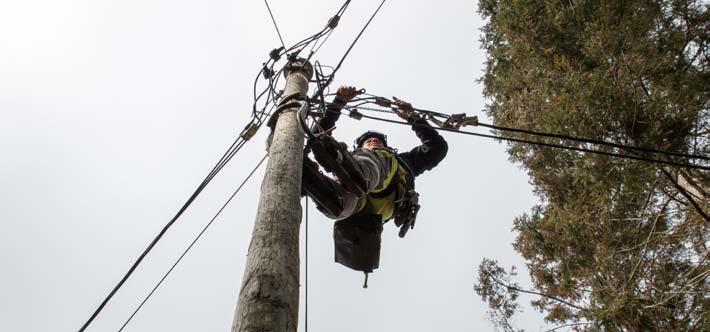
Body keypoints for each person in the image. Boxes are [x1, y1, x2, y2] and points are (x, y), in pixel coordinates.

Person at [301, 86, 448, 280]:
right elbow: (315, 135)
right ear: (359, 147)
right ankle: (306, 174)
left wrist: (413, 117)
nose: (374, 141)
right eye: (369, 141)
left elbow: (437, 148)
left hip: (383, 195)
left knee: (376, 161)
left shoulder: (404, 161)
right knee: (340, 205)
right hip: (356, 203)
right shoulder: (354, 158)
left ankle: (352, 173)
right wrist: (338, 103)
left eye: (378, 141)